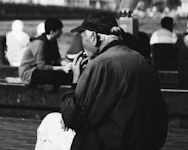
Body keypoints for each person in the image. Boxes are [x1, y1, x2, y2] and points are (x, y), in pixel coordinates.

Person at [35, 12, 168, 150]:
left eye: (82, 37)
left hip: (115, 143)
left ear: (93, 37)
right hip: (147, 141)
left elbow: (73, 118)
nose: (82, 44)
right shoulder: (140, 59)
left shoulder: (101, 64)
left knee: (49, 123)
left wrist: (76, 79)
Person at [19, 18, 72, 87]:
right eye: (59, 30)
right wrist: (62, 68)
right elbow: (41, 66)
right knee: (53, 75)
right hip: (29, 72)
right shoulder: (40, 43)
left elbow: (57, 59)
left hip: (40, 69)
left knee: (67, 74)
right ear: (52, 32)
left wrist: (67, 64)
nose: (61, 32)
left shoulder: (53, 41)